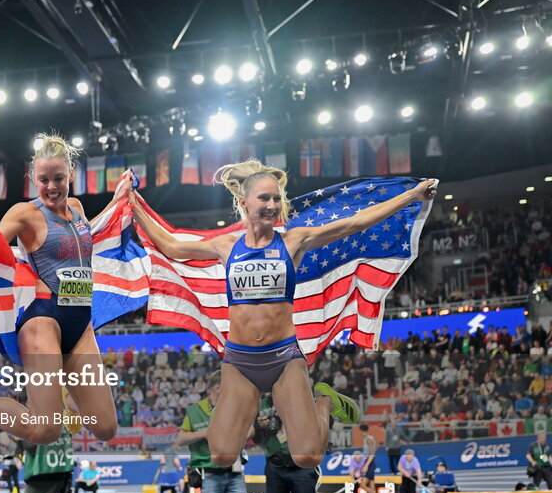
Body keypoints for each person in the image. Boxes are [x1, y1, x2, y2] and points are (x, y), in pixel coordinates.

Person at [130, 161, 437, 468]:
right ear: (243, 202)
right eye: (264, 198)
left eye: (276, 198)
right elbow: (170, 246)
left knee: (307, 457)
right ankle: (249, 406)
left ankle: (323, 400)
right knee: (221, 456)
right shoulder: (226, 245)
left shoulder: (294, 240)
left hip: (283, 358)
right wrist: (132, 203)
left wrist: (412, 195)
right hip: (239, 360)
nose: (272, 205)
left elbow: (356, 223)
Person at [0, 134, 132, 444]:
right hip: (43, 318)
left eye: (58, 178)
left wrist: (119, 204)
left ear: (71, 173)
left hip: (80, 323)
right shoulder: (25, 213)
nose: (51, 187)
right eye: (43, 180)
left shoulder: (77, 207)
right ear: (33, 178)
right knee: (45, 428)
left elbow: (84, 238)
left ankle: (67, 396)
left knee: (105, 427)